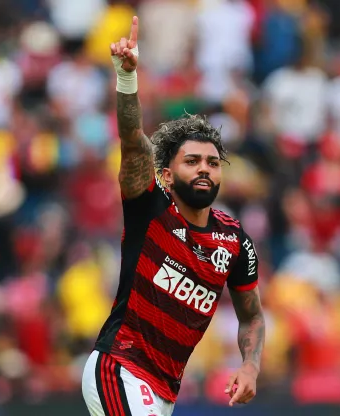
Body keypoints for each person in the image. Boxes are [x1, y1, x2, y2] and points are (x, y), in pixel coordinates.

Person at [81, 16, 266, 416]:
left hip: (164, 391)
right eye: (193, 161)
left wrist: (251, 366)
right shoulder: (151, 209)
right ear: (166, 174)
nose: (205, 169)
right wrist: (127, 78)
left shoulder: (234, 241)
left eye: (213, 163)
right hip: (120, 367)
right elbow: (132, 143)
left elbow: (251, 316)